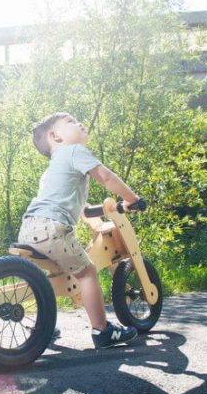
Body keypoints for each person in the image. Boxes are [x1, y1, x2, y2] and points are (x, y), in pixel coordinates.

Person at [18, 112, 142, 348]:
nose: (80, 123)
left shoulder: (52, 169)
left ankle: (44, 325)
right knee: (87, 273)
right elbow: (106, 177)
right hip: (52, 226)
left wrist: (86, 210)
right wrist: (131, 199)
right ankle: (102, 331)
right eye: (71, 122)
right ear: (56, 136)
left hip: (29, 228)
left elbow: (69, 201)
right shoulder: (74, 152)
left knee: (54, 276)